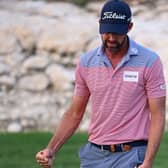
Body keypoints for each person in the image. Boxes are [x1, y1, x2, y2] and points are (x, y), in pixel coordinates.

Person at [36, 0, 166, 167]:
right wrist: (51, 150)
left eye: (117, 33)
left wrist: (148, 161)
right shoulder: (86, 62)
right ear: (99, 25)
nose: (111, 38)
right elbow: (75, 113)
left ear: (129, 27)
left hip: (133, 154)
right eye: (106, 32)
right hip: (95, 155)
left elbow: (158, 115)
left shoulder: (150, 61)